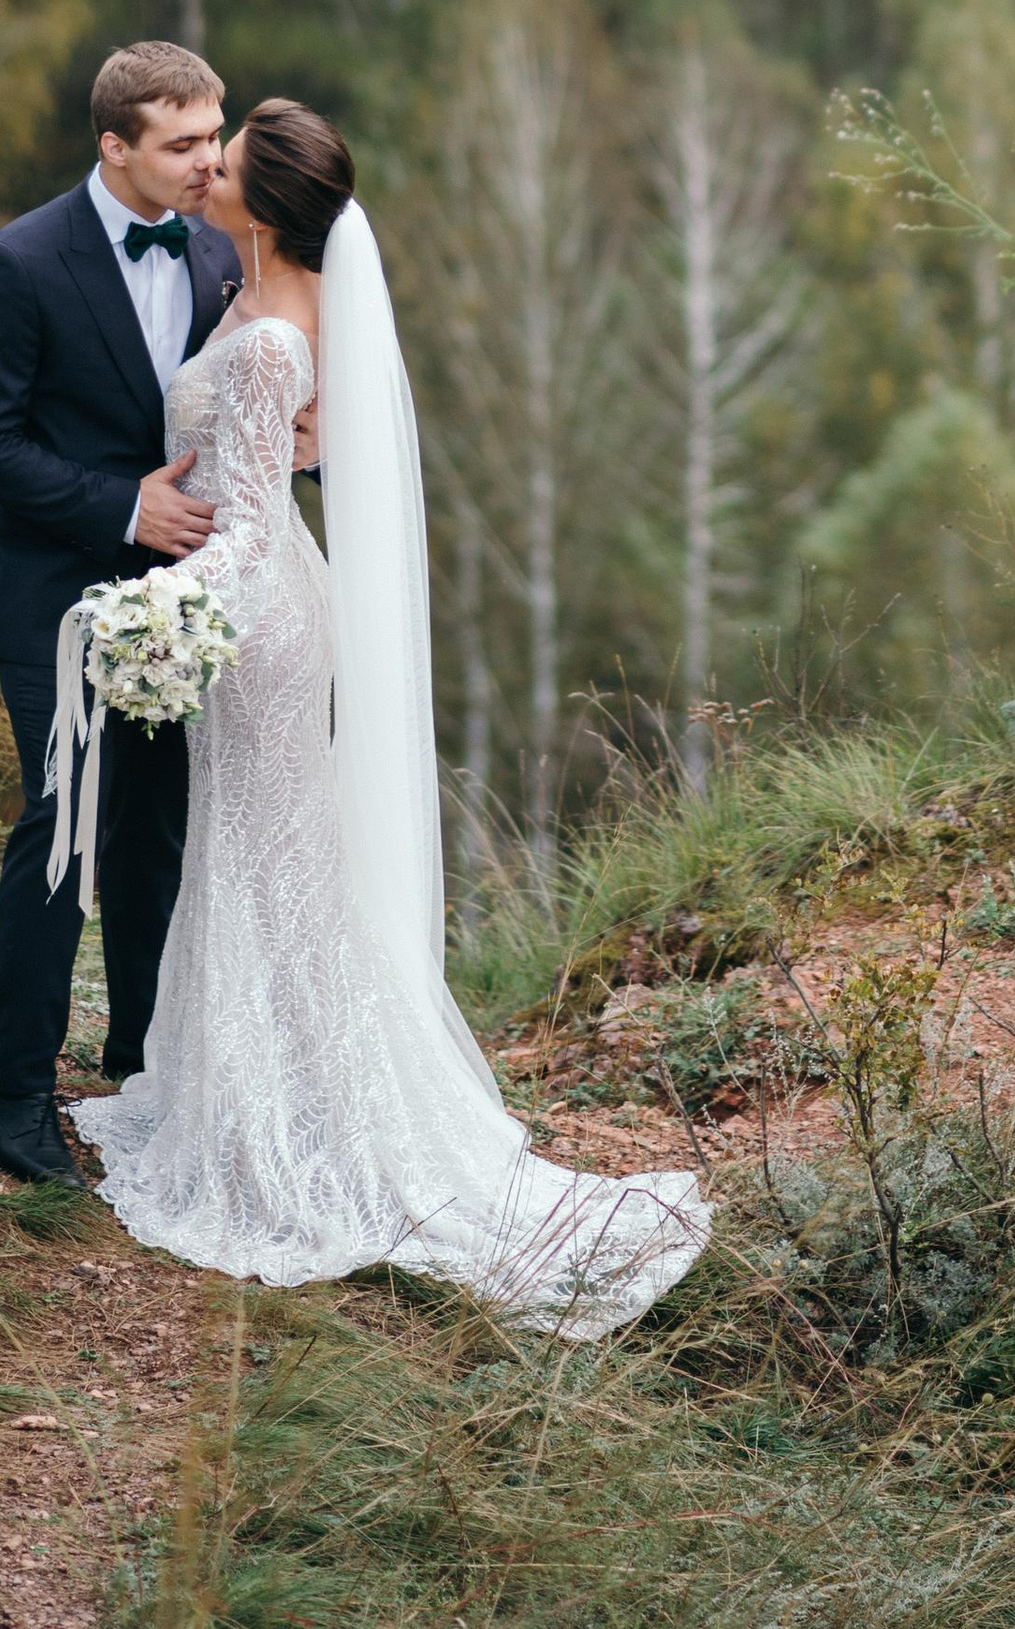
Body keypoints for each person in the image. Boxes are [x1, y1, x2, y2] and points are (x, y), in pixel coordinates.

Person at [71, 97, 710, 1335]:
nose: (208, 172)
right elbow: (280, 477)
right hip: (263, 601)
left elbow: (251, 520)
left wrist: (157, 614)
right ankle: (272, 1084)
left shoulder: (264, 338)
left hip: (252, 613)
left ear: (267, 204)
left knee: (262, 857)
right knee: (268, 856)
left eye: (229, 162)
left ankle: (285, 1120)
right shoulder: (267, 297)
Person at [0, 41, 247, 1187]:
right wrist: (123, 507)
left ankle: (139, 1065)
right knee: (64, 831)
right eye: (182, 144)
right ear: (113, 145)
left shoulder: (221, 252)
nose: (207, 163)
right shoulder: (17, 264)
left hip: (181, 610)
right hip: (52, 596)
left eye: (212, 137)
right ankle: (11, 1092)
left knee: (154, 833)